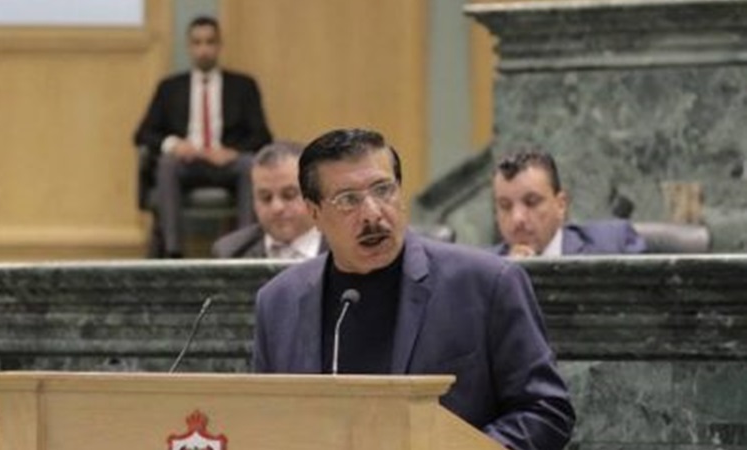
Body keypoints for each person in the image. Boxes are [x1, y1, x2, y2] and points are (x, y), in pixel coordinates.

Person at [253, 129, 574, 450]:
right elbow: (263, 424)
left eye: (383, 190)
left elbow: (545, 410)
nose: (373, 213)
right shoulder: (278, 303)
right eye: (348, 200)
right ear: (314, 213)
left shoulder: (486, 283)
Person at [133, 16, 272, 258]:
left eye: (210, 42)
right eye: (197, 43)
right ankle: (173, 251)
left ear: (219, 45)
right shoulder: (169, 87)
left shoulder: (243, 86)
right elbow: (142, 134)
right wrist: (174, 145)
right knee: (167, 164)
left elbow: (262, 135)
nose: (204, 49)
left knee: (248, 165)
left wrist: (233, 152)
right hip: (187, 163)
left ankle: (244, 250)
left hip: (227, 164)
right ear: (189, 47)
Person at [492, 149, 646, 257]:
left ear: (561, 205)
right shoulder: (483, 271)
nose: (517, 218)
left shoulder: (615, 245)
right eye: (505, 206)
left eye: (531, 202)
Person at [212, 141, 325, 259]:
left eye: (289, 195)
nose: (277, 208)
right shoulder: (231, 253)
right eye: (265, 198)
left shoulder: (338, 247)